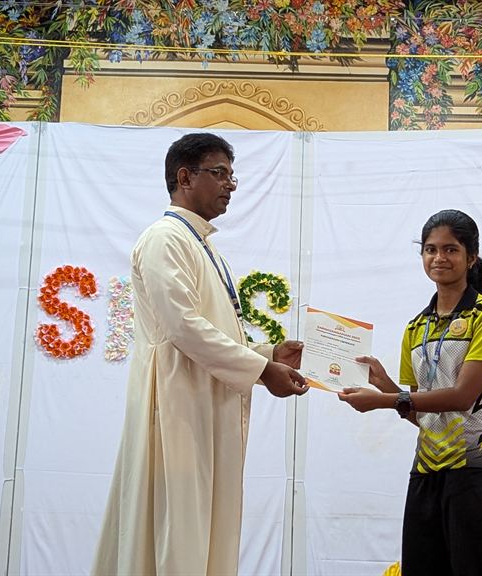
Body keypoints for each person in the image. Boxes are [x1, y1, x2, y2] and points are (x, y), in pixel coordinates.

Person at [92, 133, 308, 576]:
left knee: (207, 526)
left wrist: (269, 352)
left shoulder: (204, 245)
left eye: (232, 176)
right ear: (184, 177)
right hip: (178, 406)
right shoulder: (165, 239)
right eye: (220, 173)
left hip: (207, 403)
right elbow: (182, 326)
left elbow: (212, 327)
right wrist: (262, 369)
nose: (230, 185)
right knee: (178, 527)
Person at [339, 209, 482, 576]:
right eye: (431, 249)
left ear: (471, 257)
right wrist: (384, 383)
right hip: (427, 467)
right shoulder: (415, 327)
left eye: (451, 249)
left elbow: (463, 397)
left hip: (477, 466)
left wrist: (382, 401)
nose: (439, 258)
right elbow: (420, 413)